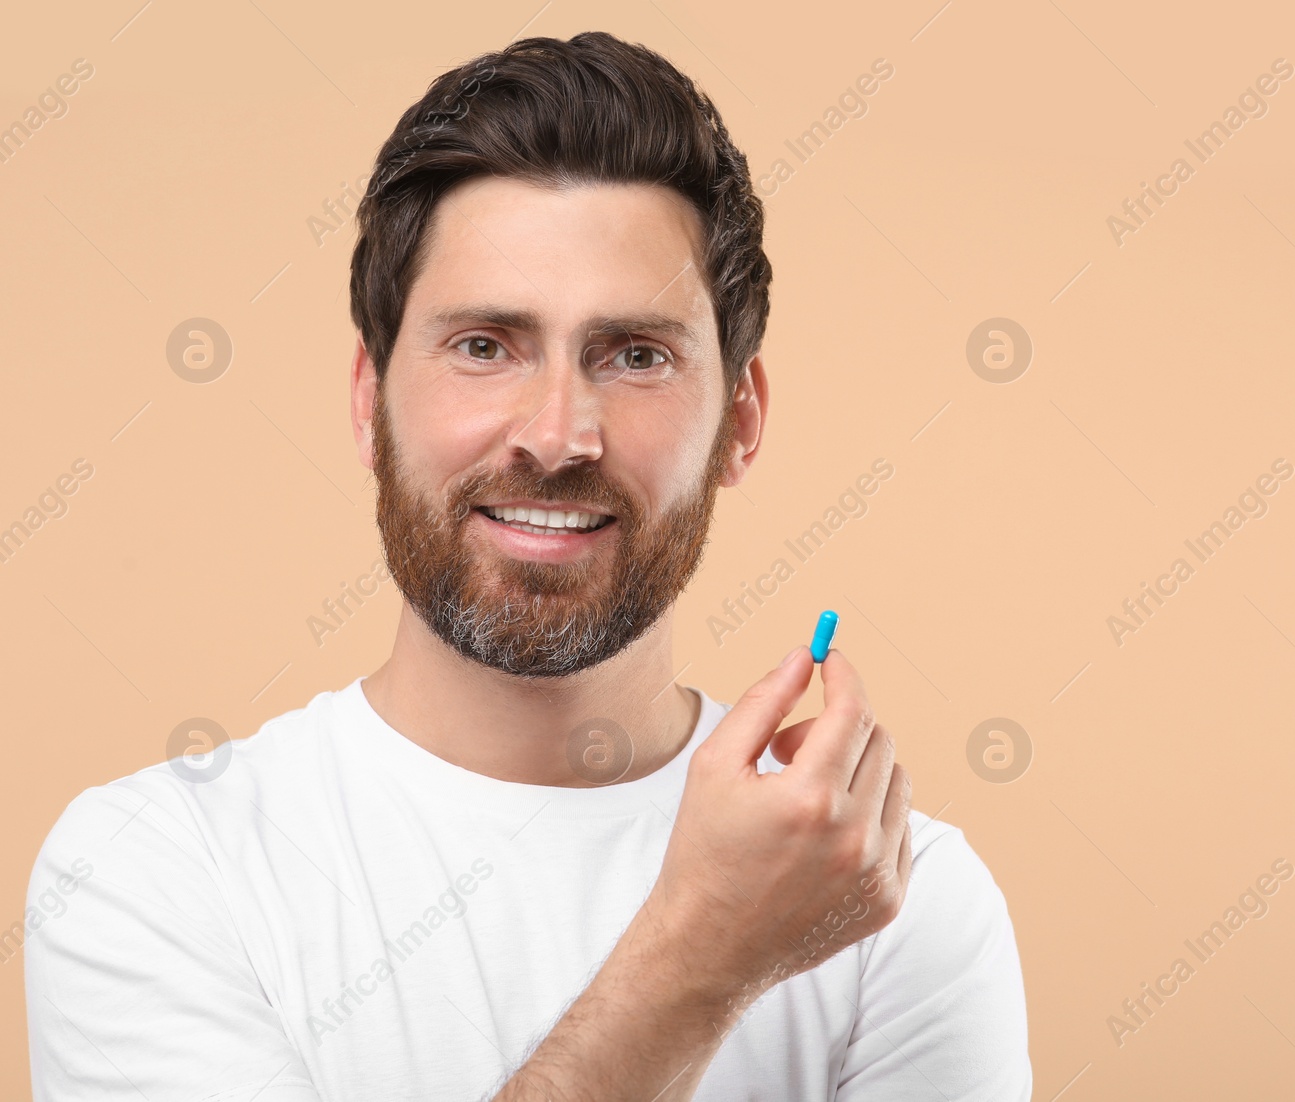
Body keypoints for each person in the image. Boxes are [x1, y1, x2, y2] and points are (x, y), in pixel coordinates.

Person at [24, 31, 1031, 1101]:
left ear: (741, 420)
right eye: (485, 345)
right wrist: (700, 959)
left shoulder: (889, 900)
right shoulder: (158, 866)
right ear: (370, 400)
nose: (557, 436)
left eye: (636, 356)